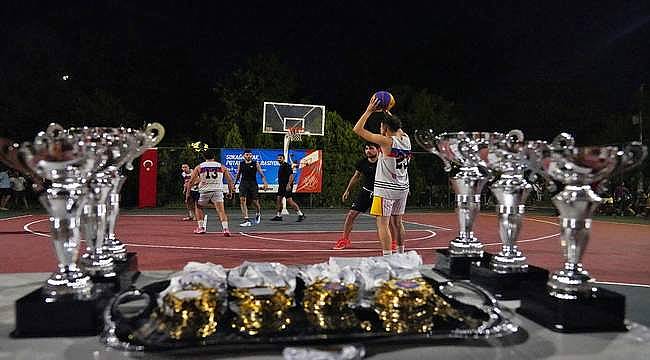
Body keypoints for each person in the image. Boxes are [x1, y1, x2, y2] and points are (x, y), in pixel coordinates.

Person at [353, 96, 411, 256]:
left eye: (381, 125)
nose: (380, 128)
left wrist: (369, 110)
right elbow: (397, 126)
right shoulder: (406, 139)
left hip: (386, 190)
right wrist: (387, 111)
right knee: (398, 223)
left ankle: (388, 257)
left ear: (385, 128)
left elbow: (357, 130)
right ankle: (401, 254)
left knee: (383, 223)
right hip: (402, 188)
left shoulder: (386, 142)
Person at [334, 143, 394, 250]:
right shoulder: (362, 163)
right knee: (351, 215)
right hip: (366, 192)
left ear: (378, 150)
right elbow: (356, 177)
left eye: (371, 148)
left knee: (387, 220)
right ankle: (344, 240)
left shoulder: (383, 161)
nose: (368, 151)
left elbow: (393, 175)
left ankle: (393, 242)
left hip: (380, 193)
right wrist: (347, 190)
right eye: (366, 148)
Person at [186, 151, 235, 236]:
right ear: (214, 157)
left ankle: (201, 227)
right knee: (221, 211)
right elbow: (230, 180)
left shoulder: (199, 167)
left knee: (198, 206)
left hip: (204, 191)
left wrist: (188, 193)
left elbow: (191, 182)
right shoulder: (221, 166)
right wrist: (230, 192)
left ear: (204, 157)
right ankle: (226, 229)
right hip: (217, 190)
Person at [236, 149, 269, 227]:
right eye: (247, 155)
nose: (248, 156)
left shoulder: (255, 163)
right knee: (242, 200)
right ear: (243, 156)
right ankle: (246, 219)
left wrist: (265, 183)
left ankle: (258, 213)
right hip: (243, 183)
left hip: (253, 184)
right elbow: (238, 175)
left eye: (250, 155)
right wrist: (233, 185)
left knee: (255, 202)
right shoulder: (241, 164)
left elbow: (262, 174)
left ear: (252, 156)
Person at [270, 154, 305, 222]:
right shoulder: (281, 166)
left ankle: (300, 214)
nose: (279, 159)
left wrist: (288, 185)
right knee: (279, 199)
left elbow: (291, 176)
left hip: (287, 186)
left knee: (289, 201)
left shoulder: (287, 166)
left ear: (283, 158)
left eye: (280, 158)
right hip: (281, 186)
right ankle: (279, 216)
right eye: (278, 158)